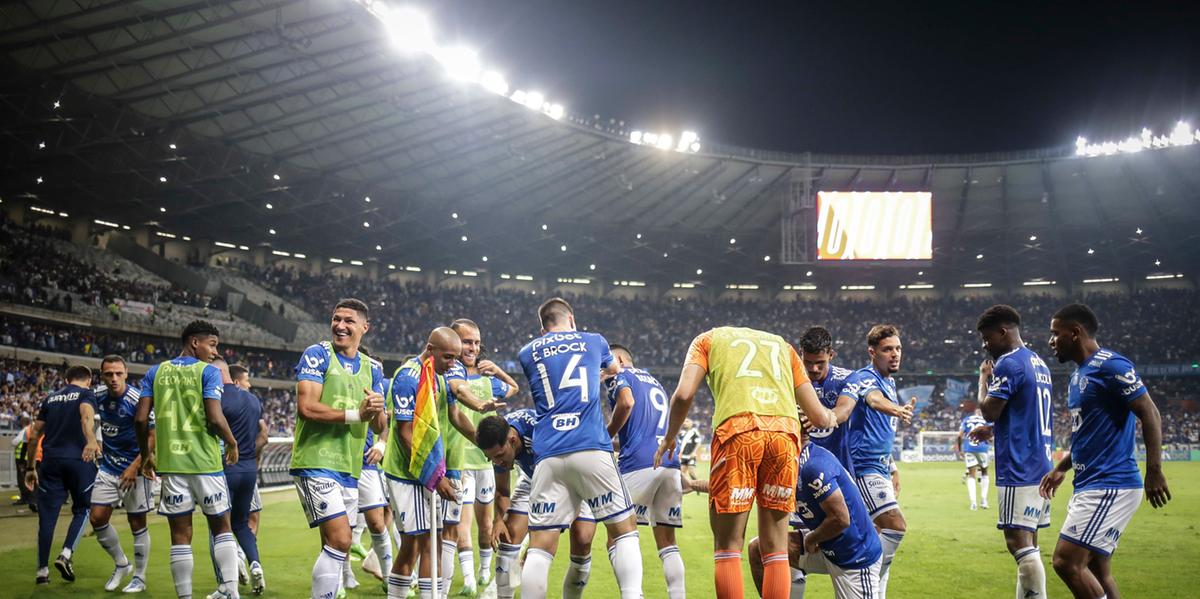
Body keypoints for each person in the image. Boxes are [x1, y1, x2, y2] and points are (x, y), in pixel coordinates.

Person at [655, 325, 834, 599]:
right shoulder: (783, 346)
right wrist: (833, 416)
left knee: (728, 547)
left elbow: (683, 395)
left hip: (738, 432)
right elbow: (820, 418)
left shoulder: (706, 340)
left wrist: (670, 437)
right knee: (775, 548)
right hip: (784, 436)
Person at [1040, 303, 1171, 599]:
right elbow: (1087, 437)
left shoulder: (1111, 365)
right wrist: (1060, 469)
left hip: (1110, 483)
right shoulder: (1078, 376)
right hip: (1091, 483)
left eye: (1055, 333)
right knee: (1098, 571)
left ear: (1075, 333)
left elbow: (1149, 411)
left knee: (1066, 562)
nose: (1051, 341)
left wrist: (1154, 470)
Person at [518, 298, 642, 599]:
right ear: (571, 319)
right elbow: (614, 368)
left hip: (547, 454)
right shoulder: (594, 341)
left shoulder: (527, 352)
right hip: (590, 446)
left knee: (540, 548)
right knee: (624, 529)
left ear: (543, 327)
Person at [383, 327, 501, 599]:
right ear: (430, 349)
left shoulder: (440, 375)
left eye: (456, 358)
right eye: (448, 357)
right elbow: (406, 434)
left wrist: (482, 444)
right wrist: (436, 478)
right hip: (407, 473)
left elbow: (456, 416)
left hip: (424, 471)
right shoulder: (408, 377)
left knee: (414, 545)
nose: (453, 364)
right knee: (428, 541)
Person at [135, 320, 241, 599]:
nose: (215, 352)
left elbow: (141, 419)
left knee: (180, 536)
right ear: (195, 342)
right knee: (222, 527)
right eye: (212, 345)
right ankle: (232, 592)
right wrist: (232, 442)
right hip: (206, 463)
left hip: (172, 466)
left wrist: (146, 456)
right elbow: (215, 418)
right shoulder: (208, 372)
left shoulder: (155, 372)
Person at [290, 299, 387, 599]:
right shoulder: (317, 354)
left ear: (364, 327)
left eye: (348, 321)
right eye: (336, 319)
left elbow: (379, 425)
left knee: (334, 545)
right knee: (342, 540)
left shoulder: (373, 369)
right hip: (316, 461)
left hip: (349, 468)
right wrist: (358, 414)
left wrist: (377, 408)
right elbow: (307, 407)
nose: (340, 326)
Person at [968, 304, 1053, 598]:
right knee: (1030, 542)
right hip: (1041, 464)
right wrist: (993, 431)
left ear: (1003, 332)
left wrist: (983, 378)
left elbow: (988, 410)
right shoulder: (1038, 363)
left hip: (1020, 465)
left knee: (1018, 542)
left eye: (987, 338)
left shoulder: (1008, 363)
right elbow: (1026, 413)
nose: (985, 345)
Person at [475, 409, 599, 599]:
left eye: (499, 456)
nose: (497, 462)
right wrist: (498, 520)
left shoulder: (541, 437)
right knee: (508, 537)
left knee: (582, 540)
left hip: (574, 480)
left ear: (513, 440)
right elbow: (502, 490)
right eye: (491, 458)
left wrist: (543, 538)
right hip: (533, 478)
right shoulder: (499, 439)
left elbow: (564, 486)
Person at [747, 443, 883, 598]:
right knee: (759, 548)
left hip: (854, 555)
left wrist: (812, 538)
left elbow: (840, 519)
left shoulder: (813, 466)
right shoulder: (788, 463)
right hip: (825, 545)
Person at [606, 344, 685, 599]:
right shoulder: (654, 381)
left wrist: (605, 436)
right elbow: (641, 432)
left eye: (605, 363)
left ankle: (633, 595)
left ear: (619, 359)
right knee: (668, 543)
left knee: (619, 536)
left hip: (637, 464)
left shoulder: (620, 376)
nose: (602, 370)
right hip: (669, 462)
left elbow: (626, 404)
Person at [841, 324, 915, 599]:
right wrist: (897, 409)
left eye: (898, 348)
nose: (895, 354)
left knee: (880, 531)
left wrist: (892, 467)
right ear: (872, 352)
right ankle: (866, 576)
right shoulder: (865, 377)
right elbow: (873, 401)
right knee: (895, 525)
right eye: (887, 350)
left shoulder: (890, 382)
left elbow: (881, 432)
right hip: (863, 467)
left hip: (880, 467)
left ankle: (874, 591)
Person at [448, 319, 518, 597]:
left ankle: (484, 571)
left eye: (476, 342)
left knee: (486, 523)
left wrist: (498, 370)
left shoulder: (489, 379)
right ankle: (468, 579)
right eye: (467, 342)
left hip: (486, 462)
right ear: (454, 342)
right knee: (462, 523)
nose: (473, 348)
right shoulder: (449, 373)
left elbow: (513, 389)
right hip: (460, 460)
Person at [25, 364, 101, 586]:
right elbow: (85, 417)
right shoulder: (86, 394)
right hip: (79, 460)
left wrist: (30, 468)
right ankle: (66, 554)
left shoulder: (50, 398)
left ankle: (42, 572)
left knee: (47, 518)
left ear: (66, 380)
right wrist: (91, 440)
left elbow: (34, 435)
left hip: (50, 462)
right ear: (88, 380)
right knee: (83, 508)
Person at [90, 355, 156, 593]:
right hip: (108, 467)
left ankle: (139, 577)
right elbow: (84, 415)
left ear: (126, 374)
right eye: (108, 374)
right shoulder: (97, 395)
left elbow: (153, 436)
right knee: (97, 518)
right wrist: (89, 439)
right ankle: (121, 564)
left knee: (136, 522)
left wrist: (135, 466)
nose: (114, 378)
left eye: (118, 373)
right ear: (102, 376)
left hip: (136, 468)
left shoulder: (137, 399)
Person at [213, 360, 267, 595]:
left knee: (220, 527)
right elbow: (263, 434)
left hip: (226, 468)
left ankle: (227, 583)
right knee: (242, 524)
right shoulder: (253, 400)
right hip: (248, 469)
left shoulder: (217, 398)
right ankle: (255, 563)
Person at [799, 326, 856, 473]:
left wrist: (819, 417)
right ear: (801, 354)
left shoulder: (847, 378)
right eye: (808, 362)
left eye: (820, 363)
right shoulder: (790, 380)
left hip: (839, 467)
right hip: (801, 468)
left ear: (831, 355)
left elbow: (844, 410)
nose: (814, 368)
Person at [956, 408, 991, 510]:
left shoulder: (967, 419)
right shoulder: (985, 420)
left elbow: (959, 436)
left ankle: (973, 503)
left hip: (969, 448)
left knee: (972, 475)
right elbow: (990, 436)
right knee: (984, 473)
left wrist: (960, 449)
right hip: (982, 448)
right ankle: (984, 500)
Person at [677, 419, 702, 486]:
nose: (685, 423)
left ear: (691, 423)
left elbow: (698, 443)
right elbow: (678, 444)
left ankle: (699, 486)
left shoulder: (694, 432)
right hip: (683, 456)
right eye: (684, 421)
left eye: (687, 421)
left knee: (691, 472)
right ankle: (685, 487)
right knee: (682, 473)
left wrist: (694, 452)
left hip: (691, 456)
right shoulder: (681, 433)